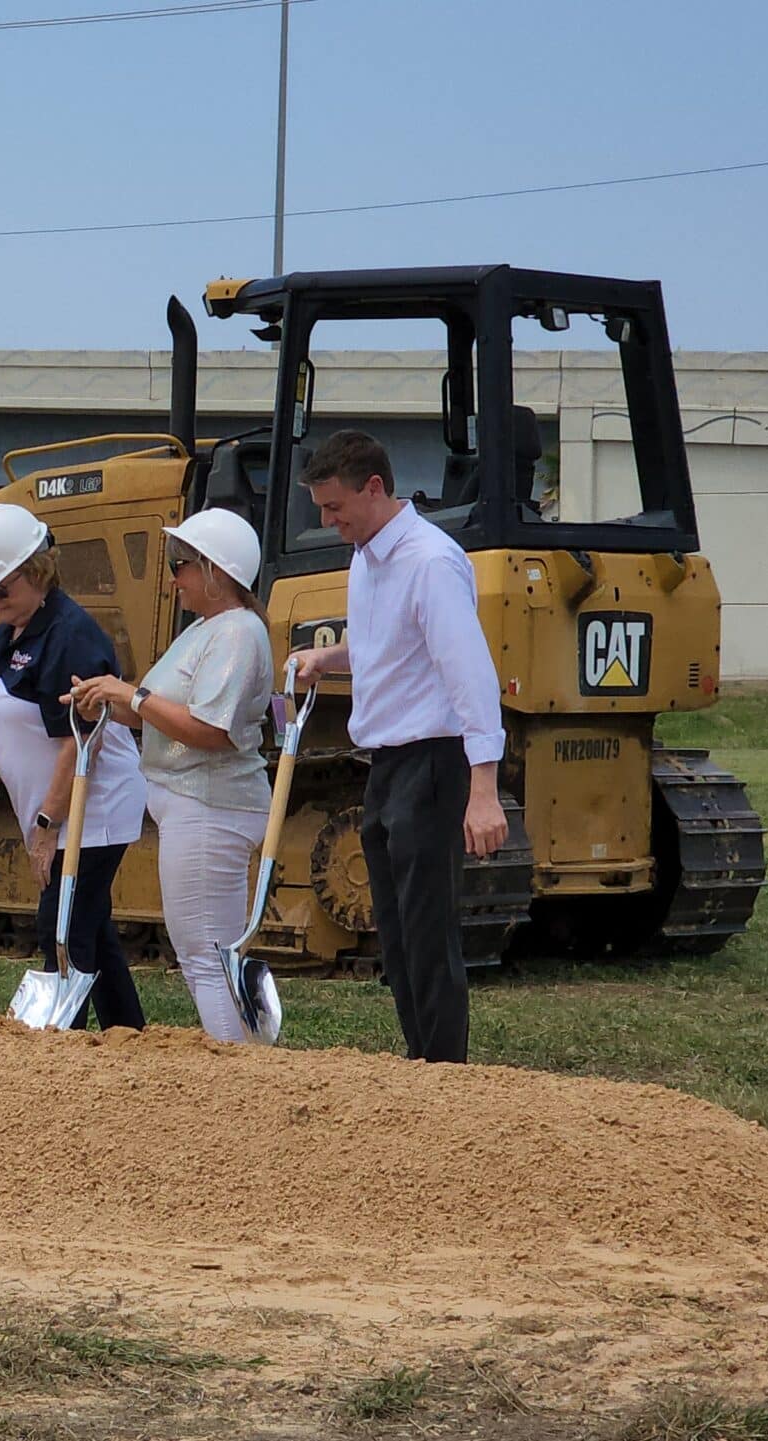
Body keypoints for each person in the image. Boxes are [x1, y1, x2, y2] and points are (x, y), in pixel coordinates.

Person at [284, 430, 506, 1063]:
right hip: (386, 763)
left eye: (335, 507)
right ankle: (419, 1066)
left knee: (428, 932)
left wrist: (482, 790)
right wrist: (329, 657)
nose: (329, 522)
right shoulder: (368, 558)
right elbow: (387, 644)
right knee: (398, 935)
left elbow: (470, 674)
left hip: (434, 762)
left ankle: (444, 1075)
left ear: (374, 488)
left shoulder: (429, 561)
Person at [0, 504, 148, 1030]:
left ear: (37, 572)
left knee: (61, 925)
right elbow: (6, 714)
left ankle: (61, 1047)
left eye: (1, 590)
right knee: (91, 928)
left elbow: (81, 742)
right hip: (56, 808)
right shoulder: (12, 627)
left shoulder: (70, 635)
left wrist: (47, 826)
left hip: (93, 808)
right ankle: (129, 1036)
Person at [66, 509, 273, 1040]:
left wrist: (127, 692)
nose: (174, 578)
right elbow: (160, 710)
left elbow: (209, 730)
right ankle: (245, 1062)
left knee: (204, 954)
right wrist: (107, 697)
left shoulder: (237, 634)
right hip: (194, 805)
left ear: (214, 571)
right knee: (209, 952)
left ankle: (237, 1071)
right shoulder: (207, 630)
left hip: (210, 807)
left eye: (181, 565)